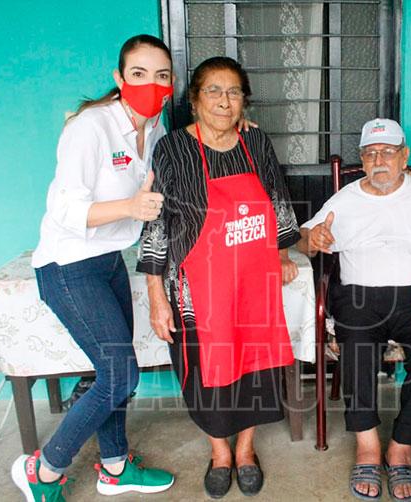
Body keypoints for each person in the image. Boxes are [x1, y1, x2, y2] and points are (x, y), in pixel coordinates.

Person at [13, 34, 177, 502]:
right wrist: (130, 207)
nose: (151, 85)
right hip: (68, 264)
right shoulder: (90, 128)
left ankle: (115, 467)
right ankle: (44, 469)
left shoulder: (156, 128)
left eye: (162, 76)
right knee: (120, 374)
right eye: (139, 74)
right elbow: (65, 209)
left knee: (113, 371)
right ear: (119, 78)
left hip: (107, 261)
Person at [137, 56, 300, 499]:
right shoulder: (172, 149)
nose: (224, 101)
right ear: (194, 100)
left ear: (244, 101)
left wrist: (282, 251)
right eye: (213, 91)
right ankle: (220, 453)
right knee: (204, 373)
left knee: (254, 368)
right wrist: (156, 294)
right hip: (195, 290)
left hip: (253, 284)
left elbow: (276, 198)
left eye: (233, 92)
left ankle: (245, 450)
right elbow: (157, 222)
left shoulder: (255, 141)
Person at [298, 118, 411, 502]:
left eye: (388, 152)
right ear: (362, 159)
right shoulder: (345, 199)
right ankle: (368, 447)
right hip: (358, 296)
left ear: (404, 156)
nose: (379, 160)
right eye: (370, 154)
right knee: (356, 351)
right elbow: (305, 239)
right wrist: (313, 238)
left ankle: (401, 446)